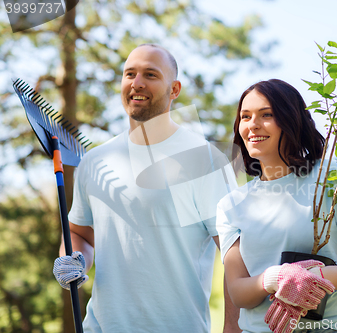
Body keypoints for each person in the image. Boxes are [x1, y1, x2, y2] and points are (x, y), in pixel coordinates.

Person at [52, 44, 241, 332]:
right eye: (130, 74)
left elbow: (234, 256)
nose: (136, 83)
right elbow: (79, 232)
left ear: (174, 89)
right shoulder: (94, 161)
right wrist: (75, 259)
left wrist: (232, 330)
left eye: (150, 75)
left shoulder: (203, 159)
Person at [216, 79, 337, 333]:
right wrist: (275, 279)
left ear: (290, 118)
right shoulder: (231, 205)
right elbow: (239, 292)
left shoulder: (331, 177)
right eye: (245, 116)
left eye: (266, 114)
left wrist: (313, 278)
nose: (253, 124)